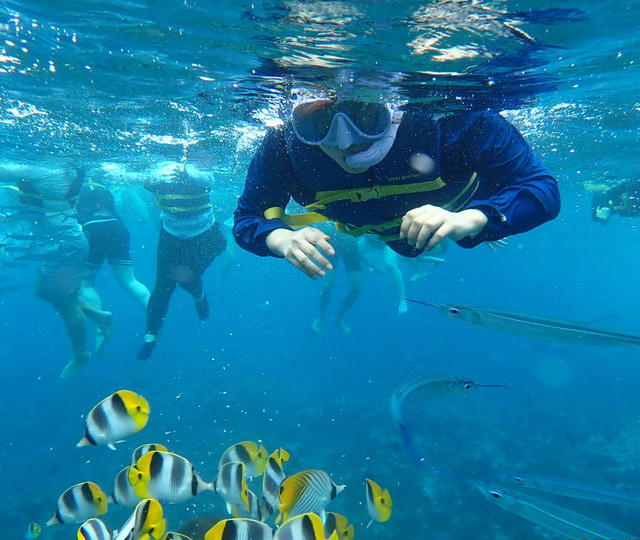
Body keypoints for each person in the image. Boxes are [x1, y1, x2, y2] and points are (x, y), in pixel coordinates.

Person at [233, 96, 560, 278]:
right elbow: (247, 218)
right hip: (385, 231)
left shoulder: (457, 122)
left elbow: (542, 188)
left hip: (464, 204)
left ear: (392, 109)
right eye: (319, 123)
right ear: (299, 121)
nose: (344, 140)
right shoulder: (282, 146)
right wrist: (281, 239)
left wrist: (474, 219)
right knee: (412, 246)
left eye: (363, 114)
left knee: (470, 234)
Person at [104, 161, 226, 360]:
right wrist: (119, 173)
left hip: (205, 235)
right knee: (163, 286)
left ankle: (198, 292)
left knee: (185, 278)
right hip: (171, 236)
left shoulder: (198, 165)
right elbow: (141, 178)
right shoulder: (159, 169)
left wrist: (184, 169)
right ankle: (150, 337)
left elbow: (205, 179)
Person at [0, 163, 113, 378]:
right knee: (42, 291)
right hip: (52, 242)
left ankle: (81, 354)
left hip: (65, 245)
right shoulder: (45, 166)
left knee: (66, 303)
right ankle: (99, 316)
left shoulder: (39, 167)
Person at [76, 181, 150, 351]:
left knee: (86, 284)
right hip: (118, 230)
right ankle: (156, 317)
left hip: (92, 231)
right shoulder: (117, 217)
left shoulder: (88, 215)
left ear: (97, 204)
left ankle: (99, 328)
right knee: (130, 281)